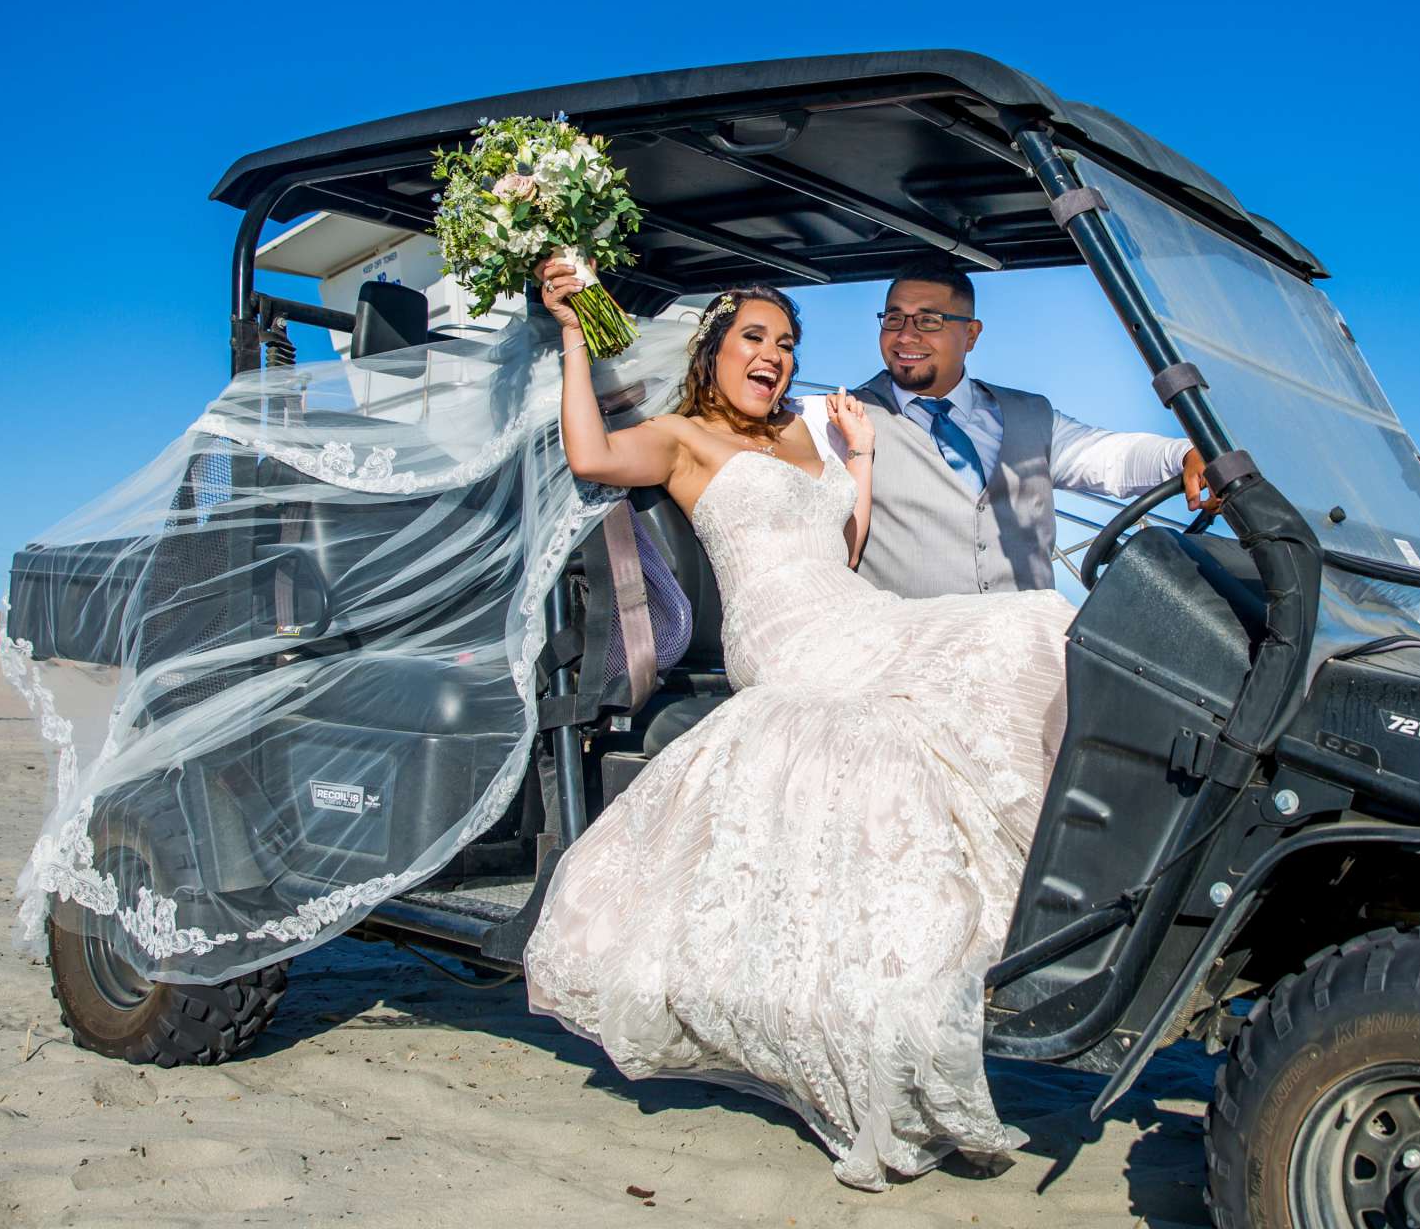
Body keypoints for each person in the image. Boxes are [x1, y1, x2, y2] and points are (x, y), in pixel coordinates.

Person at [521, 270, 1079, 1191]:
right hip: (785, 638)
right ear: (713, 349)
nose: (773, 359)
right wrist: (574, 331)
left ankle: (1051, 902)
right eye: (754, 339)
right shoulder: (683, 439)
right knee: (888, 742)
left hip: (858, 612)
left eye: (784, 345)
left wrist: (856, 463)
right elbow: (587, 457)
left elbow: (843, 550)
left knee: (1038, 623)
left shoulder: (798, 436)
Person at [848, 254, 1217, 598]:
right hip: (912, 655)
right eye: (894, 319)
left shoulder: (1031, 415)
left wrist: (1185, 453)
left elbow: (1107, 457)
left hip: (1029, 649)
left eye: (929, 321)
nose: (906, 336)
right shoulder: (845, 418)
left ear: (972, 334)